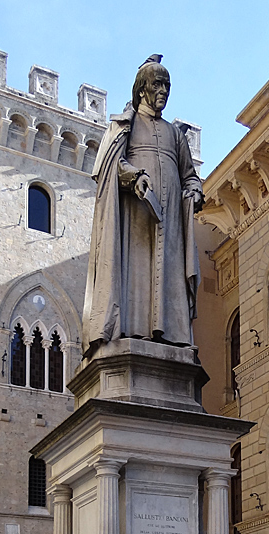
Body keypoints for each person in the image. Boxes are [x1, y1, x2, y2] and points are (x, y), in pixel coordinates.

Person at [82, 55, 204, 358]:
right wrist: (133, 176)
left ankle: (173, 336)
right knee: (136, 273)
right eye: (157, 85)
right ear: (141, 89)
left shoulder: (176, 135)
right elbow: (110, 165)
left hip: (170, 221)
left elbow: (190, 176)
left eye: (167, 86)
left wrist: (194, 192)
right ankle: (132, 331)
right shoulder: (126, 124)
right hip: (136, 215)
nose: (163, 92)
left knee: (169, 274)